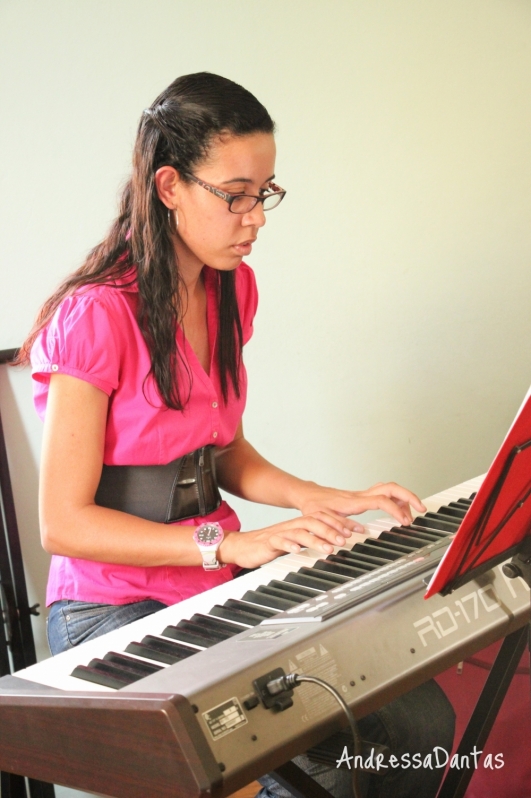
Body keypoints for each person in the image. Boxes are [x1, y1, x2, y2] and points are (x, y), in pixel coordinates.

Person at [18, 72, 454, 797]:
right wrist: (224, 544)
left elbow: (225, 452)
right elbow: (63, 525)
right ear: (168, 187)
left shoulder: (230, 288)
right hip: (109, 606)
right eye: (235, 194)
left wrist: (333, 498)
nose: (255, 217)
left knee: (417, 723)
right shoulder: (94, 315)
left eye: (265, 192)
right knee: (232, 756)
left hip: (209, 584)